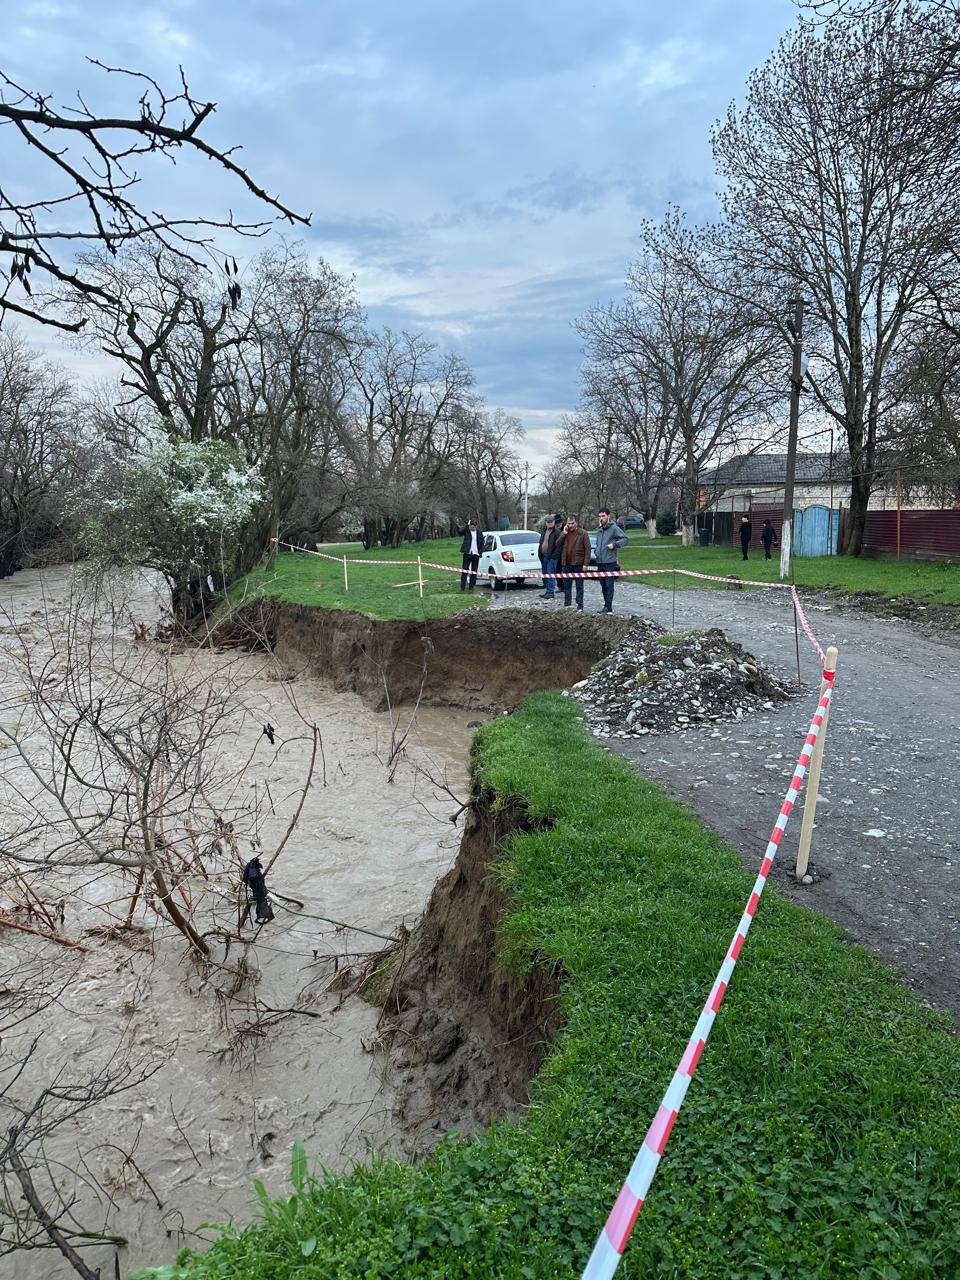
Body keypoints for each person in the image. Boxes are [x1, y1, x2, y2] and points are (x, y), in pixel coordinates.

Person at [594, 507, 628, 613]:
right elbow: (598, 544)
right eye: (599, 516)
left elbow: (625, 539)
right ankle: (606, 605)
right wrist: (596, 552)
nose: (601, 518)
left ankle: (608, 607)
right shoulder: (599, 530)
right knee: (603, 585)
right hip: (600, 562)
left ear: (608, 516)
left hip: (610, 562)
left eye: (603, 516)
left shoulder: (614, 528)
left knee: (609, 585)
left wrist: (614, 545)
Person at [558, 514, 591, 610]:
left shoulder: (583, 533)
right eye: (569, 523)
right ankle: (567, 604)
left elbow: (587, 549)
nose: (571, 525)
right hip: (566, 564)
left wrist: (586, 564)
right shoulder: (565, 533)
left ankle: (580, 605)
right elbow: (557, 544)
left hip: (578, 564)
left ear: (576, 523)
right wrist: (563, 533)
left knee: (579, 586)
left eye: (572, 523)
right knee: (567, 586)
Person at [538, 513, 564, 600]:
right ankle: (547, 591)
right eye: (548, 521)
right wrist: (540, 554)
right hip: (544, 557)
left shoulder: (557, 532)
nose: (549, 523)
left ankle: (550, 592)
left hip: (552, 558)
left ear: (554, 522)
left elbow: (559, 546)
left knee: (550, 575)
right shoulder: (544, 531)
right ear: (545, 522)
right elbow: (541, 543)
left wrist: (554, 556)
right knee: (545, 575)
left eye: (551, 521)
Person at [460, 520, 481, 591]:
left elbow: (482, 543)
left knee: (474, 571)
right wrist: (466, 525)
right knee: (465, 570)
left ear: (476, 526)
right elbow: (460, 532)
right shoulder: (466, 531)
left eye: (474, 527)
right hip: (467, 554)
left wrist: (480, 552)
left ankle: (471, 587)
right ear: (469, 526)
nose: (473, 528)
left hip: (476, 554)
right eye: (471, 526)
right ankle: (462, 587)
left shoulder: (479, 533)